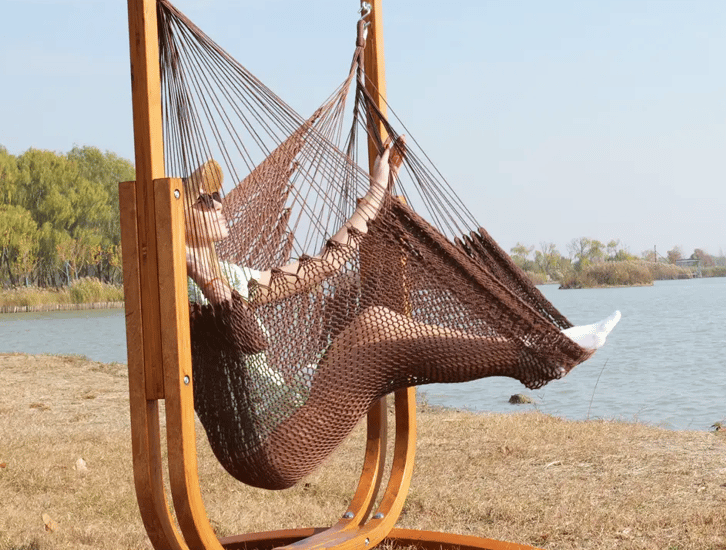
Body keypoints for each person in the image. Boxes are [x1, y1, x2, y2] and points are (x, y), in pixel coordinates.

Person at [182, 138, 621, 489]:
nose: (220, 203)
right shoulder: (185, 286)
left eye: (218, 195)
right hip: (270, 444)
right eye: (204, 199)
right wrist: (202, 275)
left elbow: (325, 263)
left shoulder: (226, 273)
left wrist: (376, 192)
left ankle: (537, 349)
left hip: (287, 420)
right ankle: (539, 354)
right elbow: (250, 339)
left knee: (365, 309)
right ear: (174, 220)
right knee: (376, 325)